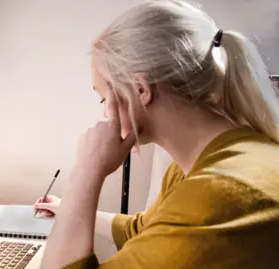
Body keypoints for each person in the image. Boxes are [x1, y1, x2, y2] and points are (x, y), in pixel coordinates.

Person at [34, 1, 279, 268]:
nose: (105, 114)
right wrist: (66, 207)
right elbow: (142, 229)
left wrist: (86, 171)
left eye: (103, 98)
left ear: (140, 90)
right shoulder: (206, 164)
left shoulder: (217, 195)